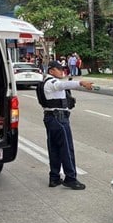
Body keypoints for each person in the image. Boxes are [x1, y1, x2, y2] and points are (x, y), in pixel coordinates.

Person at [40, 61, 94, 189]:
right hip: (58, 119)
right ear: (51, 71)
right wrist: (80, 83)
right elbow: (61, 85)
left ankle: (54, 177)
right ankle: (70, 178)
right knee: (66, 149)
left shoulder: (47, 82)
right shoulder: (51, 82)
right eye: (59, 69)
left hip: (52, 118)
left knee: (54, 149)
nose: (61, 71)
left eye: (62, 69)